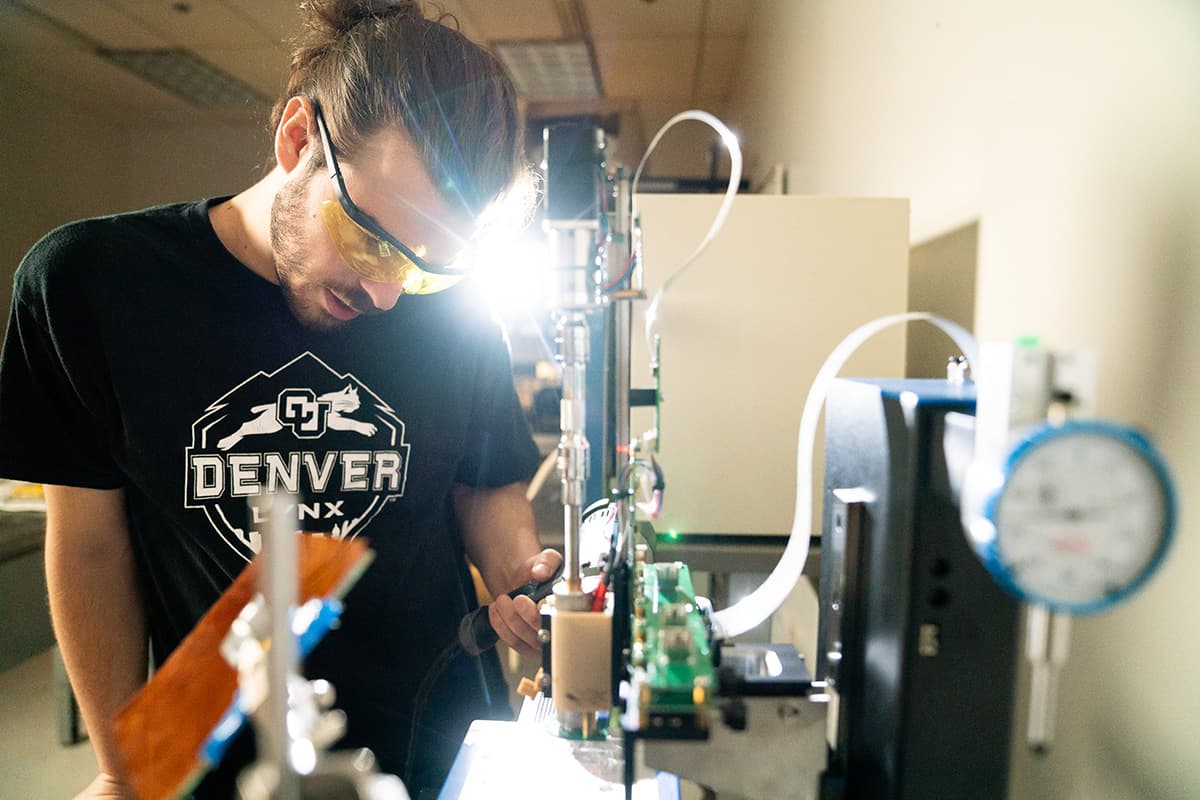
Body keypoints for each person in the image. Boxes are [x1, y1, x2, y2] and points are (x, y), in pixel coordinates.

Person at [0, 1, 561, 797]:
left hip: (434, 738)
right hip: (221, 750)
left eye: (425, 268)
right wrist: (128, 767)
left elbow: (483, 475)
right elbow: (90, 546)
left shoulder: (449, 312)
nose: (386, 292)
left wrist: (514, 574)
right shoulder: (94, 288)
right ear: (298, 139)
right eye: (371, 239)